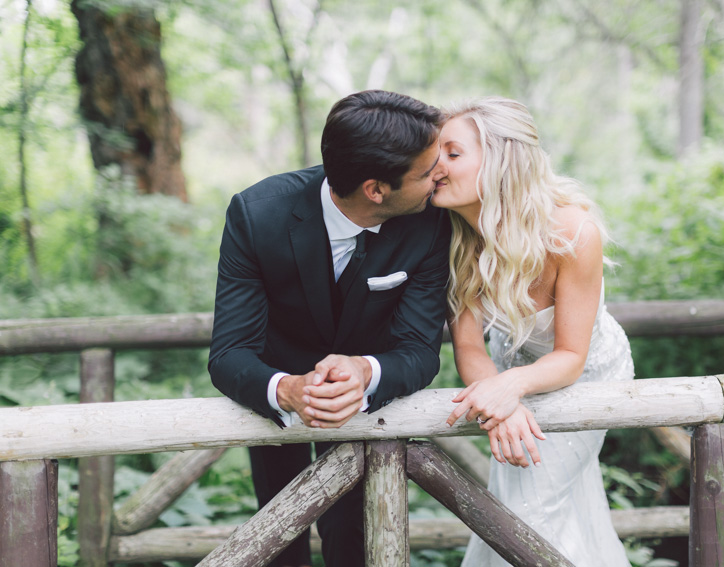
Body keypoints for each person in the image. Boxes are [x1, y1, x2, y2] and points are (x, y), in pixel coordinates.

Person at [208, 90, 451, 567]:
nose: (438, 175)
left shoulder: (431, 223)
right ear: (375, 189)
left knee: (358, 543)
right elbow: (229, 353)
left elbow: (420, 350)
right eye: (426, 172)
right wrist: (288, 390)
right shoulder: (257, 215)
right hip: (274, 406)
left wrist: (366, 371)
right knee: (277, 540)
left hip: (370, 411)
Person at [434, 97, 634, 566]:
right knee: (521, 509)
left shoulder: (573, 232)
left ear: (502, 159)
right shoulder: (449, 237)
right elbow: (467, 345)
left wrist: (509, 388)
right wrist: (500, 402)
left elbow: (570, 355)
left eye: (453, 153)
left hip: (587, 374)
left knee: (528, 515)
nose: (435, 165)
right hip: (510, 365)